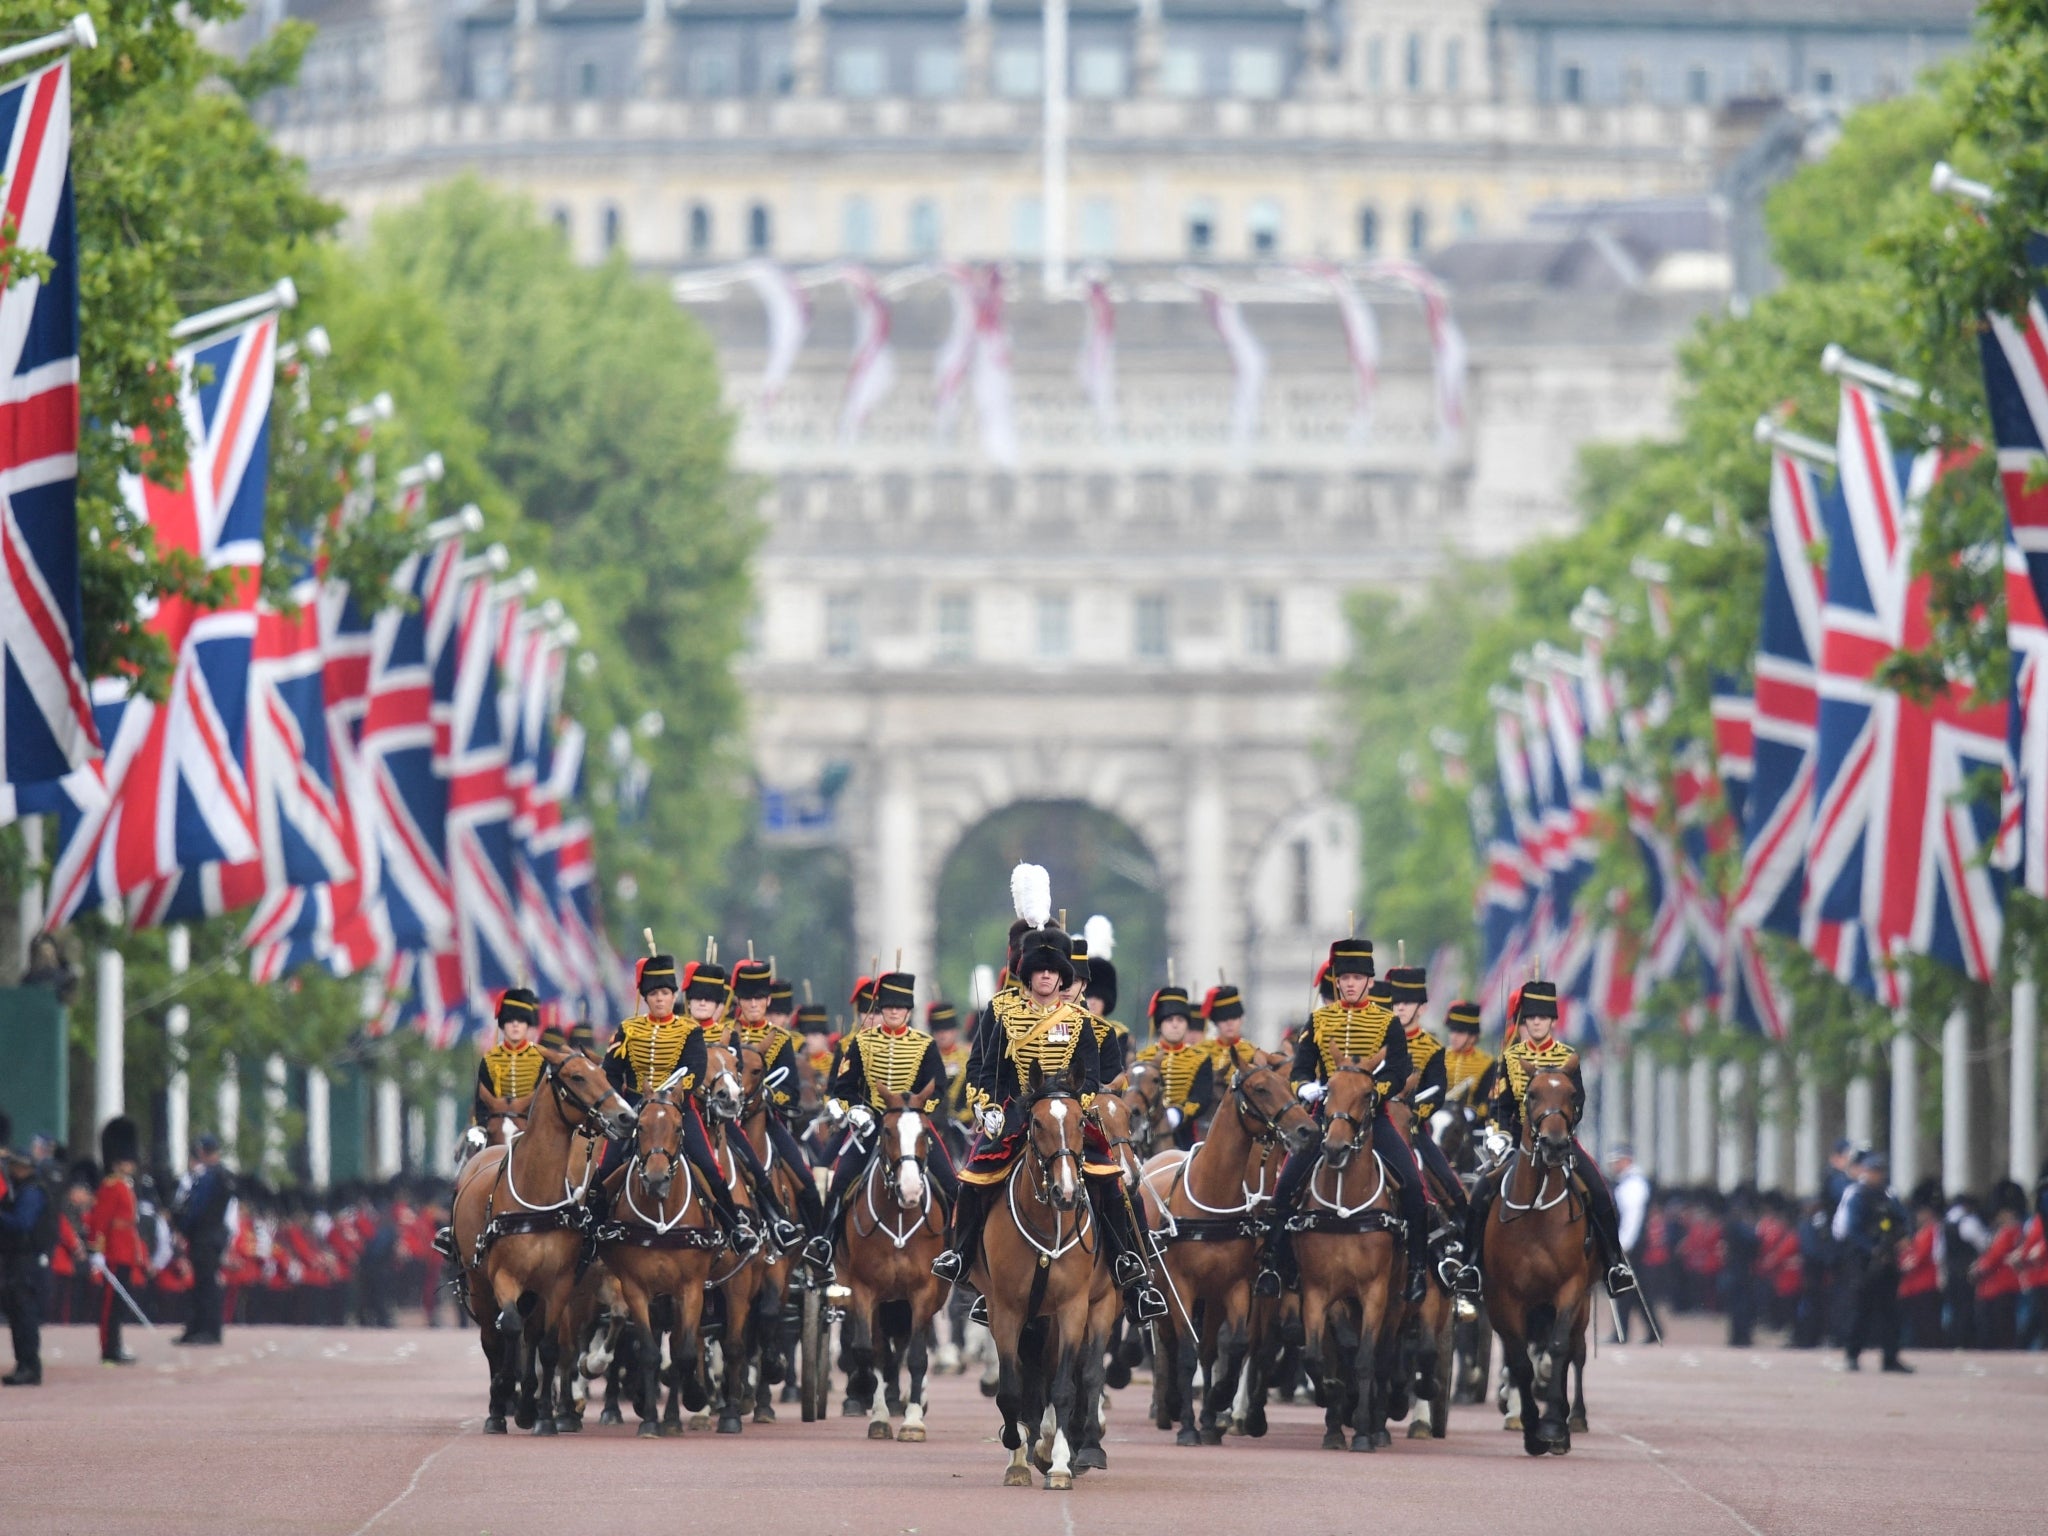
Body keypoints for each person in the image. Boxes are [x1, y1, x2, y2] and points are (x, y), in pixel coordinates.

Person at [936, 915, 1166, 1324]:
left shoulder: (1080, 1022)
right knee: (972, 1180)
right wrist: (987, 1107)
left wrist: (1074, 1105)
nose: (1045, 976)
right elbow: (983, 1069)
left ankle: (1132, 1268)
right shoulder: (1002, 1011)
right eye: (1039, 969)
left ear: (1063, 977)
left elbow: (1092, 1075)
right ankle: (961, 1258)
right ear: (1027, 973)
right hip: (1014, 1115)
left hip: (1069, 1115)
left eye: (1053, 970)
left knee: (1116, 1183)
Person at [1265, 938, 1429, 1303]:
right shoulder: (1319, 1019)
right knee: (1285, 1186)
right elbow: (1302, 1068)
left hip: (1373, 1119)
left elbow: (1400, 1072)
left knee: (1416, 1189)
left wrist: (1375, 1091)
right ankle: (1275, 1266)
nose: (1351, 983)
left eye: (1358, 978)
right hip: (1325, 1117)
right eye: (1345, 977)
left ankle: (1418, 1268)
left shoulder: (1386, 1022)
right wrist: (1306, 1088)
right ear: (1337, 981)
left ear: (1370, 982)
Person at [1466, 980, 1638, 1299]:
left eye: (1542, 1018)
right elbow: (1501, 1106)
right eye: (1531, 1018)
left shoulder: (1568, 1057)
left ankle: (1615, 1264)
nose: (1536, 1023)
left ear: (1553, 1022)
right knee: (1480, 1193)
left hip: (1560, 1139)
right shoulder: (1511, 1057)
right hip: (1520, 1143)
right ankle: (1470, 1266)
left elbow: (1580, 1102)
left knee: (1600, 1192)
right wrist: (1501, 1135)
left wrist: (1561, 1130)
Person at [599, 954, 773, 1250]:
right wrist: (621, 1104)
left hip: (677, 1107)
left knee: (708, 1165)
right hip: (635, 1108)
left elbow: (694, 1070)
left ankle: (733, 1228)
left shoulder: (688, 1031)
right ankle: (594, 1228)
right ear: (646, 996)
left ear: (673, 995)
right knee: (607, 1166)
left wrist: (671, 1094)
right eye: (654, 993)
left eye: (665, 993)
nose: (660, 999)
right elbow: (612, 1073)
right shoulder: (628, 1030)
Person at [810, 971, 957, 1268]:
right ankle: (825, 1242)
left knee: (951, 1184)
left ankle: (959, 1253)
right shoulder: (862, 1044)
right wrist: (857, 1110)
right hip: (872, 1124)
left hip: (913, 1125)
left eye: (899, 1006)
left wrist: (918, 1113)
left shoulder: (924, 1045)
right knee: (840, 1182)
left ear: (909, 1010)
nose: (893, 1011)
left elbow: (939, 1088)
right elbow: (843, 1089)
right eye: (887, 1006)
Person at [1384, 964, 1479, 1293]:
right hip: (1377, 1126)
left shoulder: (1431, 1047)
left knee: (1452, 1188)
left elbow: (1437, 1091)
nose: (1400, 1007)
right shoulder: (1376, 1042)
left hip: (1414, 1130)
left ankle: (1466, 1260)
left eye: (1407, 1002)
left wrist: (1413, 1112)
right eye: (1395, 1001)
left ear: (1421, 1008)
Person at [726, 959, 829, 1249]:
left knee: (807, 1184)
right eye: (748, 998)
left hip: (765, 1121)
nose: (754, 1004)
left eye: (759, 998)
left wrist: (768, 1096)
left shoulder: (781, 1039)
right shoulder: (724, 1034)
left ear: (768, 1000)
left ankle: (817, 1247)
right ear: (739, 1000)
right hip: (725, 1121)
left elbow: (790, 1092)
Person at [1838, 1149, 1910, 1372]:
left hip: (1888, 1260)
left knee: (1890, 1313)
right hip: (1865, 1263)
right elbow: (1852, 1230)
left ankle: (1890, 1357)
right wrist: (1873, 1249)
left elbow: (1903, 1221)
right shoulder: (1858, 1196)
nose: (1875, 1175)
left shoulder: (1889, 1196)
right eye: (1872, 1170)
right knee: (1860, 1311)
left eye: (1879, 1171)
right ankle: (1852, 1355)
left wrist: (1899, 1240)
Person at [84, 1117, 149, 1365]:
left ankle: (116, 1343)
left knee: (119, 1303)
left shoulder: (124, 1185)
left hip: (125, 1250)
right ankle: (109, 1347)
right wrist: (97, 1250)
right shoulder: (111, 1186)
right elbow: (101, 1221)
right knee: (111, 1303)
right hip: (113, 1251)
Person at [1, 1111, 58, 1385]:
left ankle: (29, 1365)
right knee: (17, 1315)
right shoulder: (25, 1190)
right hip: (19, 1261)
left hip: (27, 1262)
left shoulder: (32, 1192)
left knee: (24, 1316)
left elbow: (22, 1223)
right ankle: (24, 1363)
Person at [1133, 987, 1215, 1151]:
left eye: (1180, 1020)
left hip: (1184, 1133)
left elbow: (1202, 1096)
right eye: (1169, 1020)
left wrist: (1179, 1113)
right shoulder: (1143, 1057)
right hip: (1146, 1132)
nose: (1175, 1025)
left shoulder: (1200, 1058)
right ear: (1160, 1024)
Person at [171, 1134, 233, 1346]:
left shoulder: (210, 1177)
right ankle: (199, 1328)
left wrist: (182, 1227)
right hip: (213, 1236)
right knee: (204, 1285)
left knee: (205, 1286)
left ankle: (206, 1329)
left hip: (204, 1236)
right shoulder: (221, 1175)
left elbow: (196, 1208)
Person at [469, 989, 545, 1148]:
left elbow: (543, 1100)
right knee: (470, 1152)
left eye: (521, 1021)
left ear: (527, 1025)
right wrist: (481, 1125)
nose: (515, 1025)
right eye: (510, 1021)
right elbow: (480, 1101)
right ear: (503, 1025)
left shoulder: (540, 1060)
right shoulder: (489, 1059)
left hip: (530, 1127)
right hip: (495, 1127)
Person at [1610, 1146, 1661, 1343]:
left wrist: (1623, 1245)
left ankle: (1623, 1332)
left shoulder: (1633, 1184)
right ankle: (1650, 1330)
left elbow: (1632, 1218)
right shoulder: (1628, 1182)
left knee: (1625, 1288)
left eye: (1617, 1161)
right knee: (1636, 1291)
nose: (1614, 1166)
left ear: (1626, 1161)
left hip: (1632, 1245)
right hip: (1632, 1243)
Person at [1440, 1001, 1494, 1127]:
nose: (1454, 1037)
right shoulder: (1440, 1057)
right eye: (1452, 1031)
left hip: (1470, 1123)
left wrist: (1474, 1112)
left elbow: (1485, 1098)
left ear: (1472, 1036)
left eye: (1460, 1032)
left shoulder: (1487, 1063)